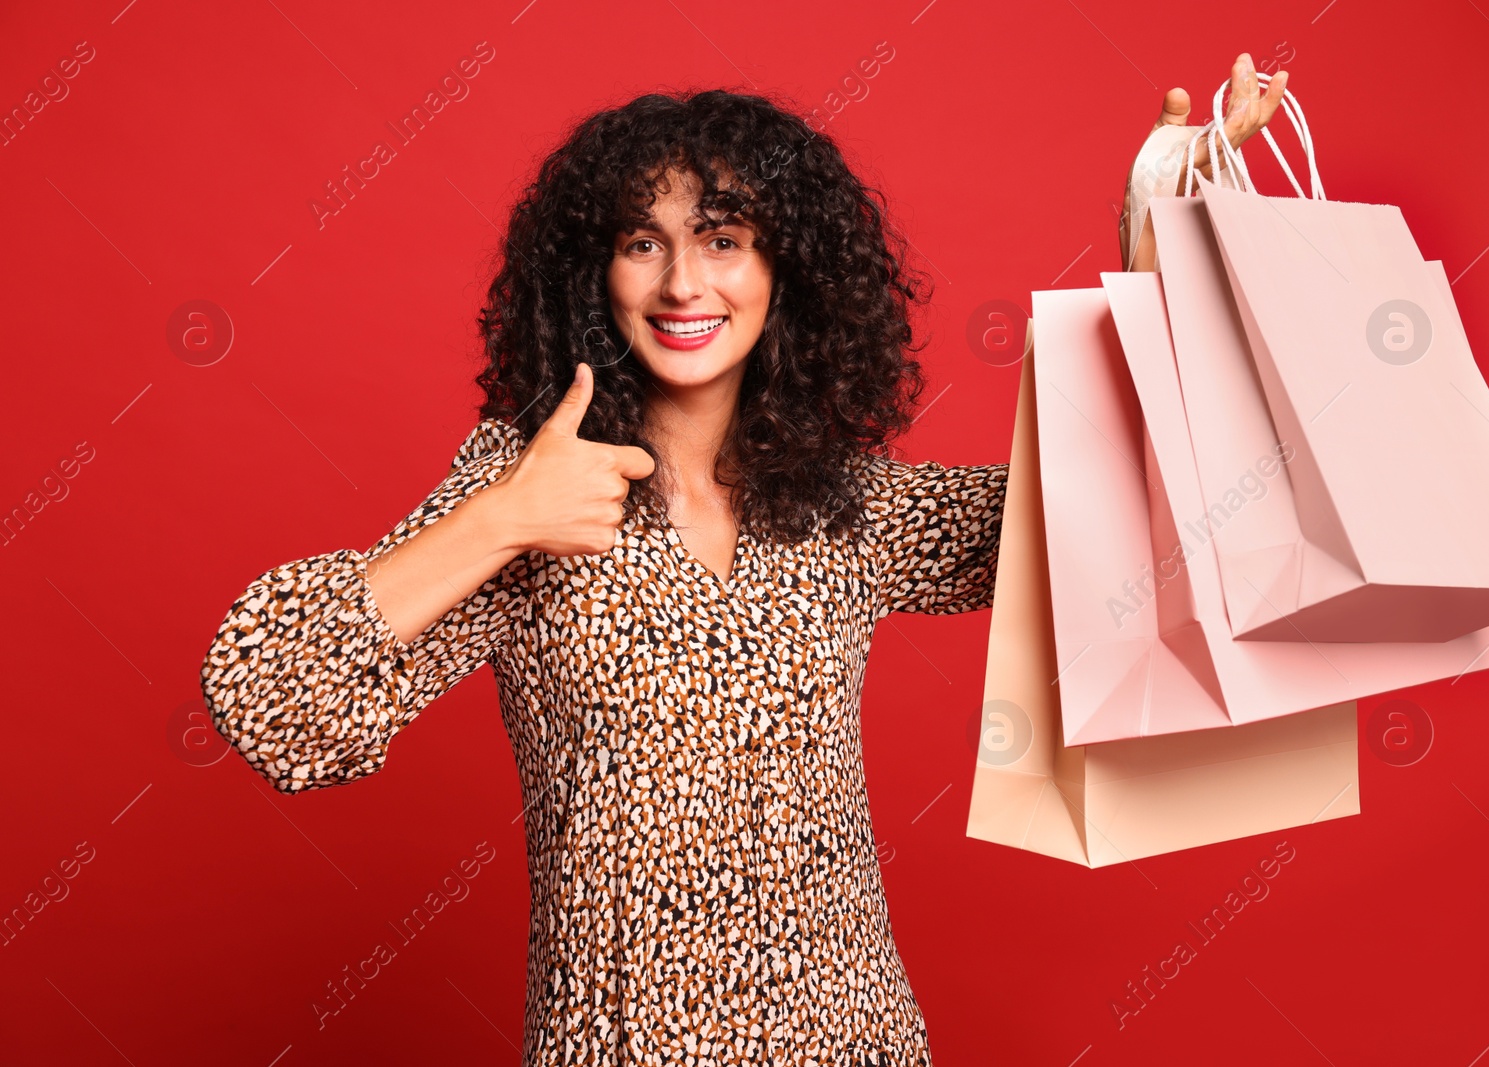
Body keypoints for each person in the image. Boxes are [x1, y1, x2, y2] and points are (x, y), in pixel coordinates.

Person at [200, 54, 1286, 1067]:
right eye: (641, 242)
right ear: (594, 273)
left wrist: (1162, 250)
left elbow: (1104, 522)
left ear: (785, 269)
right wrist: (499, 519)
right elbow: (272, 701)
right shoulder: (527, 479)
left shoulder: (835, 500)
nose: (683, 282)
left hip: (857, 1034)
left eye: (723, 238)